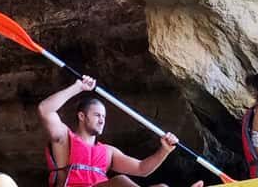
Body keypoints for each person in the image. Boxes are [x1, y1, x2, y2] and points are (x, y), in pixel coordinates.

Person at [39, 75, 204, 187]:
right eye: (97, 115)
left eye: (103, 116)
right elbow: (45, 110)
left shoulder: (108, 151)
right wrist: (78, 87)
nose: (102, 120)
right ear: (82, 116)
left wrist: (164, 150)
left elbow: (142, 169)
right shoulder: (64, 139)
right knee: (120, 182)